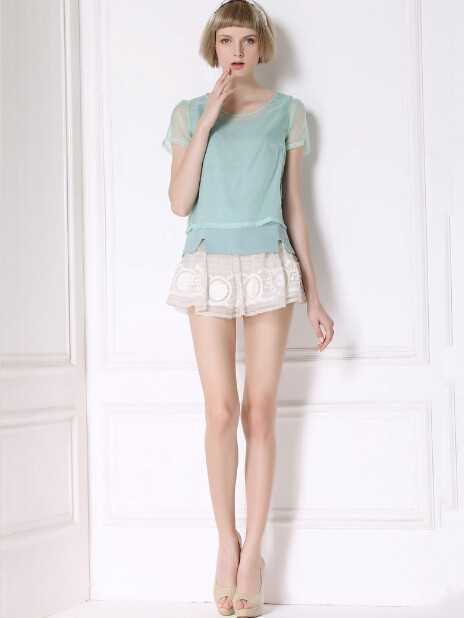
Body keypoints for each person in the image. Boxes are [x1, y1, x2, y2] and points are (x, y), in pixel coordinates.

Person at [162, 1, 334, 615]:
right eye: (226, 40)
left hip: (268, 265)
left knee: (260, 413)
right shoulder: (188, 113)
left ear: (262, 47)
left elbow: (295, 207)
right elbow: (180, 202)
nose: (236, 51)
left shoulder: (288, 113)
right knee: (220, 411)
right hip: (207, 263)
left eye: (247, 40)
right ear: (214, 47)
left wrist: (315, 295)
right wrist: (209, 118)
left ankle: (253, 554)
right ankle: (225, 545)